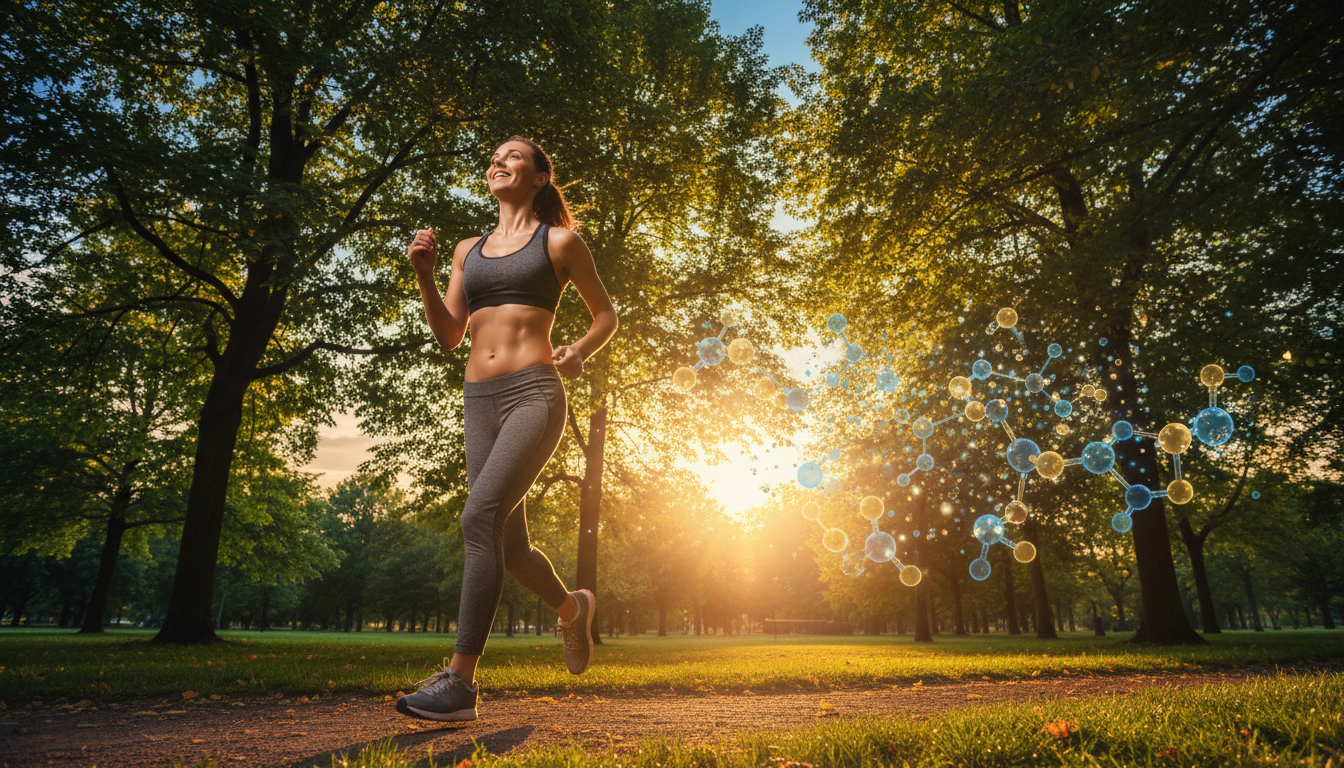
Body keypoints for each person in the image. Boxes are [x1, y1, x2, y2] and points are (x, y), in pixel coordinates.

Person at [396, 136, 618, 722]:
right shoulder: (468, 250)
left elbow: (605, 312)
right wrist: (423, 275)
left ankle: (460, 684)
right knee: (511, 548)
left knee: (478, 517)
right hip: (479, 401)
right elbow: (449, 335)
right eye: (493, 157)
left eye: (512, 156)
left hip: (534, 394)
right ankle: (572, 608)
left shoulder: (560, 242)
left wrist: (581, 351)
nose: (497, 162)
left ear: (541, 175)